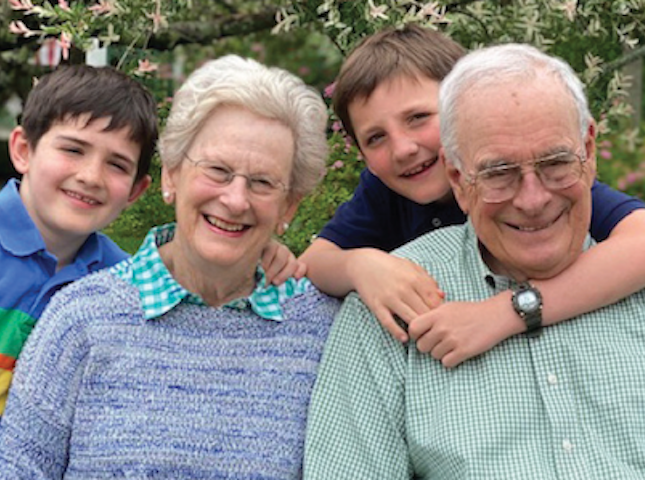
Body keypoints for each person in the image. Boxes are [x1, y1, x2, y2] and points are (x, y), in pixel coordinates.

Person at [305, 43, 645, 479]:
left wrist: (511, 311)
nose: (533, 198)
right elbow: (317, 260)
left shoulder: (615, 250)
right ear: (457, 175)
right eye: (498, 173)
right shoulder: (392, 298)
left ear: (589, 152)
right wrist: (360, 267)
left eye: (556, 163)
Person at [0, 54, 336, 479]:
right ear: (170, 177)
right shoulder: (81, 316)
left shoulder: (322, 331)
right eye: (217, 170)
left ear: (289, 205)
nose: (235, 199)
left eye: (263, 182)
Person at [0, 65, 157, 414]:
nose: (90, 176)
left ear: (135, 190)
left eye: (117, 164)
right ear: (24, 150)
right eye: (73, 150)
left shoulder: (123, 285)